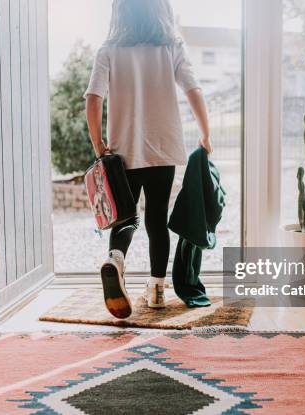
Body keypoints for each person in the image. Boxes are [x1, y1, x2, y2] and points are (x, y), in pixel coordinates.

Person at [85, 0, 212, 319]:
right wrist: (205, 134)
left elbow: (93, 99)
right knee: (157, 219)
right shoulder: (170, 46)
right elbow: (193, 90)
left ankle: (115, 258)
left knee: (125, 217)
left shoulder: (109, 49)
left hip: (122, 152)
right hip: (162, 149)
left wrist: (98, 143)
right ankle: (157, 289)